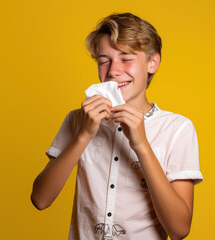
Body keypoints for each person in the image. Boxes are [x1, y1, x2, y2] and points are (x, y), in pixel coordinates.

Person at [31, 12, 203, 240]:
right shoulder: (77, 120)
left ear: (152, 62)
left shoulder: (177, 129)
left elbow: (179, 229)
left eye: (126, 58)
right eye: (104, 61)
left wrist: (141, 144)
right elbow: (40, 200)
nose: (113, 70)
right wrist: (83, 135)